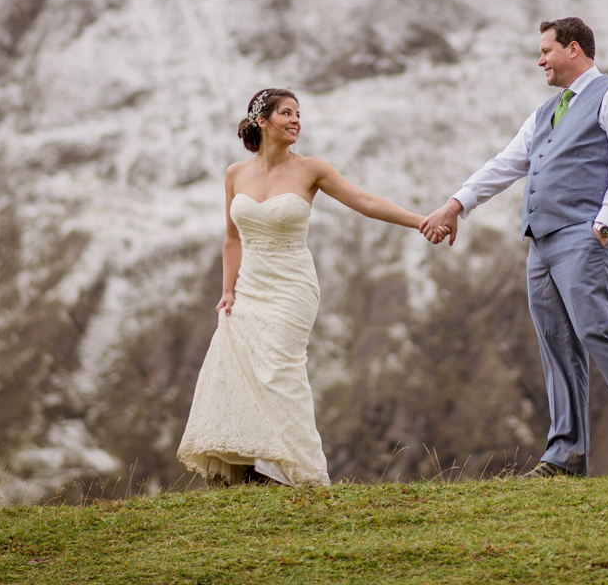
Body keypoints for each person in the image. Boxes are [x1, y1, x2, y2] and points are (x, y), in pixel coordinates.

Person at [421, 18, 608, 478]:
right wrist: (456, 204)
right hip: (540, 244)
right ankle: (565, 456)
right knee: (557, 345)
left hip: (585, 235)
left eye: (546, 50)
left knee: (595, 331)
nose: (540, 59)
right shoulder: (545, 112)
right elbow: (507, 163)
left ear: (573, 49)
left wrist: (607, 222)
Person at [177, 88, 440, 487]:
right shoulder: (235, 173)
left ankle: (298, 473)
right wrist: (228, 289)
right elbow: (231, 239)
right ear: (262, 121)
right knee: (241, 370)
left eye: (298, 113)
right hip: (248, 288)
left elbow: (365, 202)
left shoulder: (311, 169)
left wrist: (420, 221)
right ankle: (252, 469)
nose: (296, 120)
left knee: (281, 373)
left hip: (292, 288)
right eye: (286, 113)